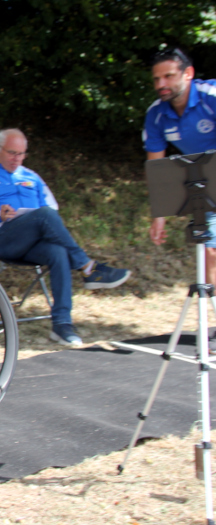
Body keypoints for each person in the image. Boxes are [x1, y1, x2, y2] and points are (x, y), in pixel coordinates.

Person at [0, 129, 131, 345]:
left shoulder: (32, 177)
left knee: (57, 250)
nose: (17, 159)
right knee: (44, 215)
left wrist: (34, 220)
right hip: (0, 240)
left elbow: (53, 208)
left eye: (22, 154)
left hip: (32, 242)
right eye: (12, 153)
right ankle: (88, 268)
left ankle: (62, 324)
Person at [143, 47, 216, 350]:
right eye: (157, 78)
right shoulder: (156, 114)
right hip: (207, 184)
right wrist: (158, 215)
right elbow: (158, 167)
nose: (162, 83)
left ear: (188, 74)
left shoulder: (212, 98)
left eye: (168, 76)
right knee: (210, 250)